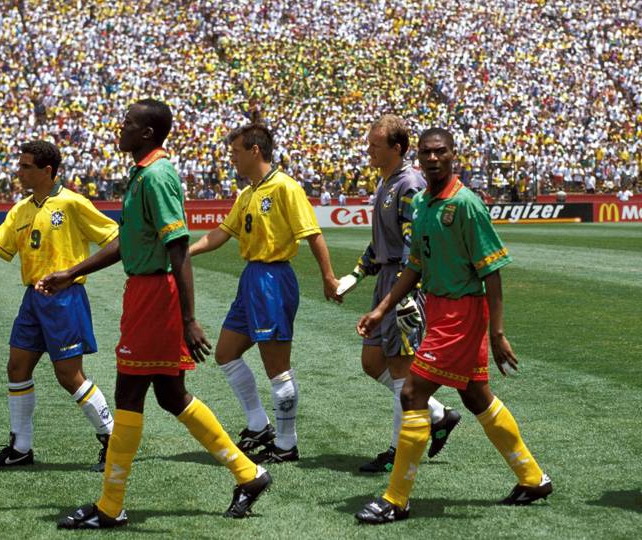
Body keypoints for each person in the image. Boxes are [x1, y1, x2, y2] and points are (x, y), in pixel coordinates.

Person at [37, 100, 271, 529]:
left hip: (155, 297)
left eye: (127, 123)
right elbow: (128, 241)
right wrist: (72, 272)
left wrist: (187, 318)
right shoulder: (144, 173)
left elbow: (178, 247)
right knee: (168, 394)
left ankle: (110, 505)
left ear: (146, 133)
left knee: (129, 393)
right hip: (145, 292)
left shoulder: (158, 176)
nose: (120, 127)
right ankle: (249, 473)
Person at [354, 128, 552, 524]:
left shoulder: (465, 204)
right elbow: (415, 266)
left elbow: (492, 271)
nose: (432, 159)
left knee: (412, 393)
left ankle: (396, 498)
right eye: (427, 153)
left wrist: (496, 333)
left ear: (452, 155)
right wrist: (382, 309)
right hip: (442, 311)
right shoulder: (425, 203)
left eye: (440, 152)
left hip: (461, 315)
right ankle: (533, 478)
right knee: (476, 397)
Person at [0, 140, 116, 471]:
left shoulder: (73, 203)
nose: (18, 171)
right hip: (32, 300)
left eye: (25, 166)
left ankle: (112, 439)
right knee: (17, 368)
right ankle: (21, 448)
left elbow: (116, 239)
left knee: (69, 376)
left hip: (64, 299)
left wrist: (74, 272)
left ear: (46, 171)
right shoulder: (20, 209)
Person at [189, 123, 340, 464]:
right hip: (251, 280)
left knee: (277, 368)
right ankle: (259, 425)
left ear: (255, 150)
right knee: (226, 353)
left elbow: (313, 234)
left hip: (274, 280)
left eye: (236, 153)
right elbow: (221, 233)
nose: (232, 160)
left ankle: (287, 444)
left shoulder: (285, 187)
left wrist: (328, 278)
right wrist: (187, 252)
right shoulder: (247, 193)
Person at [336, 115, 460, 473]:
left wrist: (407, 293)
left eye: (375, 144)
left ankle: (397, 450)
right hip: (385, 279)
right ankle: (438, 414)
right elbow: (381, 243)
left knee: (401, 369)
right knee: (372, 363)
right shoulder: (386, 183)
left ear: (396, 148)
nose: (369, 150)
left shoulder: (408, 184)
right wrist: (356, 275)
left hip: (403, 283)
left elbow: (412, 244)